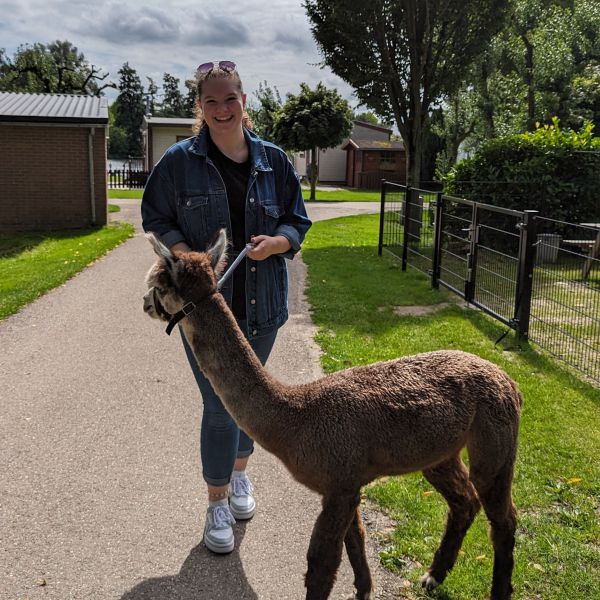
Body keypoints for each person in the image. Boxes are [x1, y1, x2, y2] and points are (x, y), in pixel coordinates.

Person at [141, 60, 311, 554]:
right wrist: (188, 257)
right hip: (204, 313)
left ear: (243, 100)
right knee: (219, 406)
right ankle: (216, 501)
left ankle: (239, 476)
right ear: (200, 106)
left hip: (262, 308)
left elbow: (296, 221)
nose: (221, 109)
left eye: (229, 98)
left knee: (250, 399)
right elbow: (156, 217)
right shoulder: (177, 162)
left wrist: (276, 244)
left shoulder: (274, 161)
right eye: (211, 101)